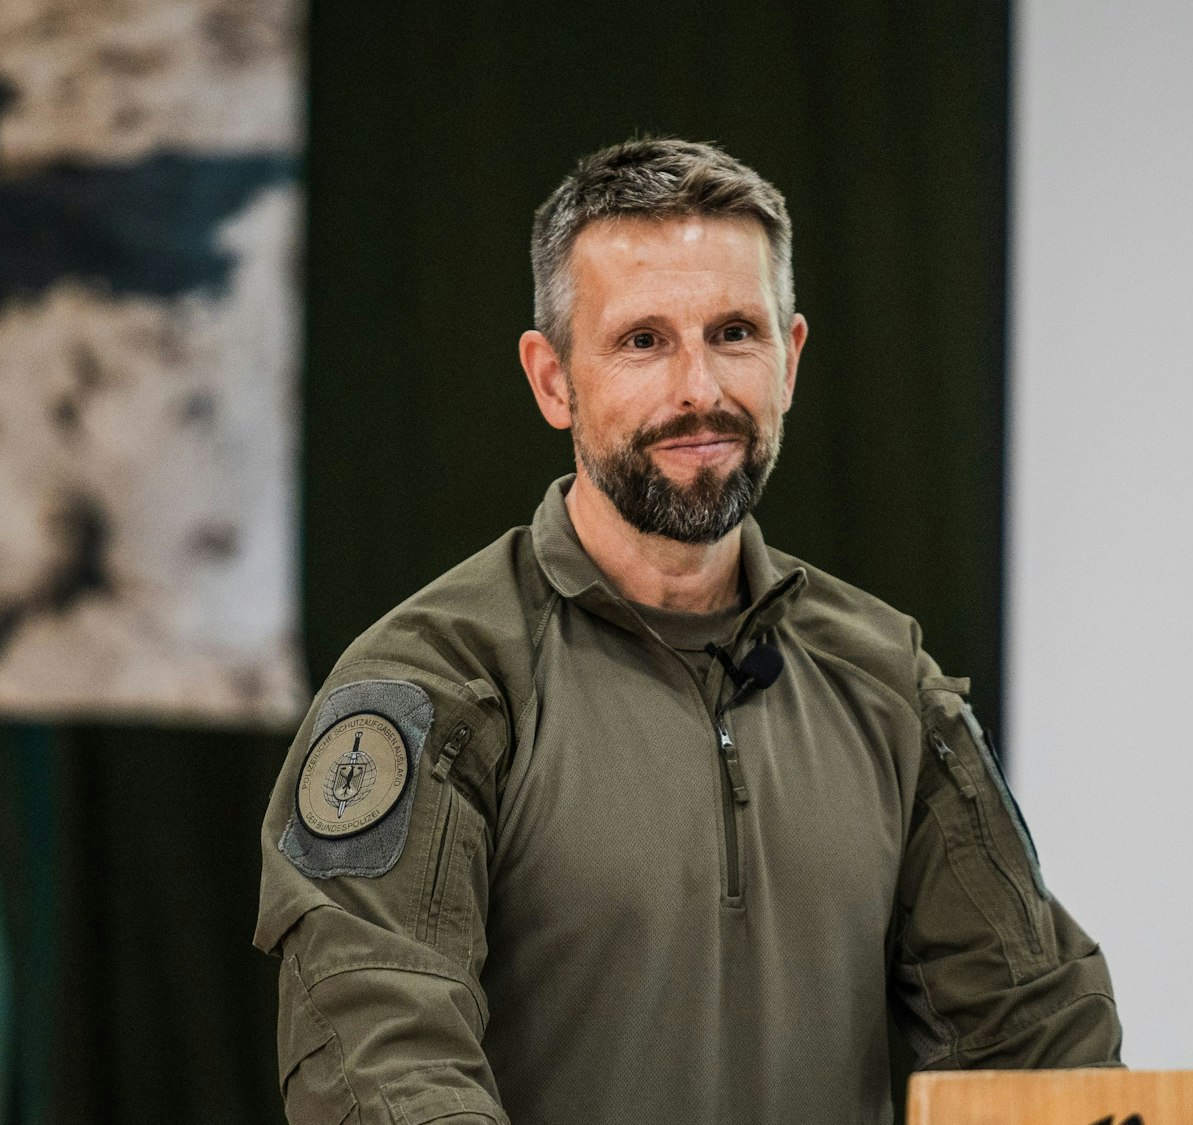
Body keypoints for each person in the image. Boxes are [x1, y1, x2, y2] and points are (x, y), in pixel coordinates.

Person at [254, 137, 1121, 1124]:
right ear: (552, 380)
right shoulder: (434, 685)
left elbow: (1040, 1048)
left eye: (733, 333)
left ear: (789, 361)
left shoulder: (887, 679)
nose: (697, 390)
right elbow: (375, 1065)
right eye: (642, 341)